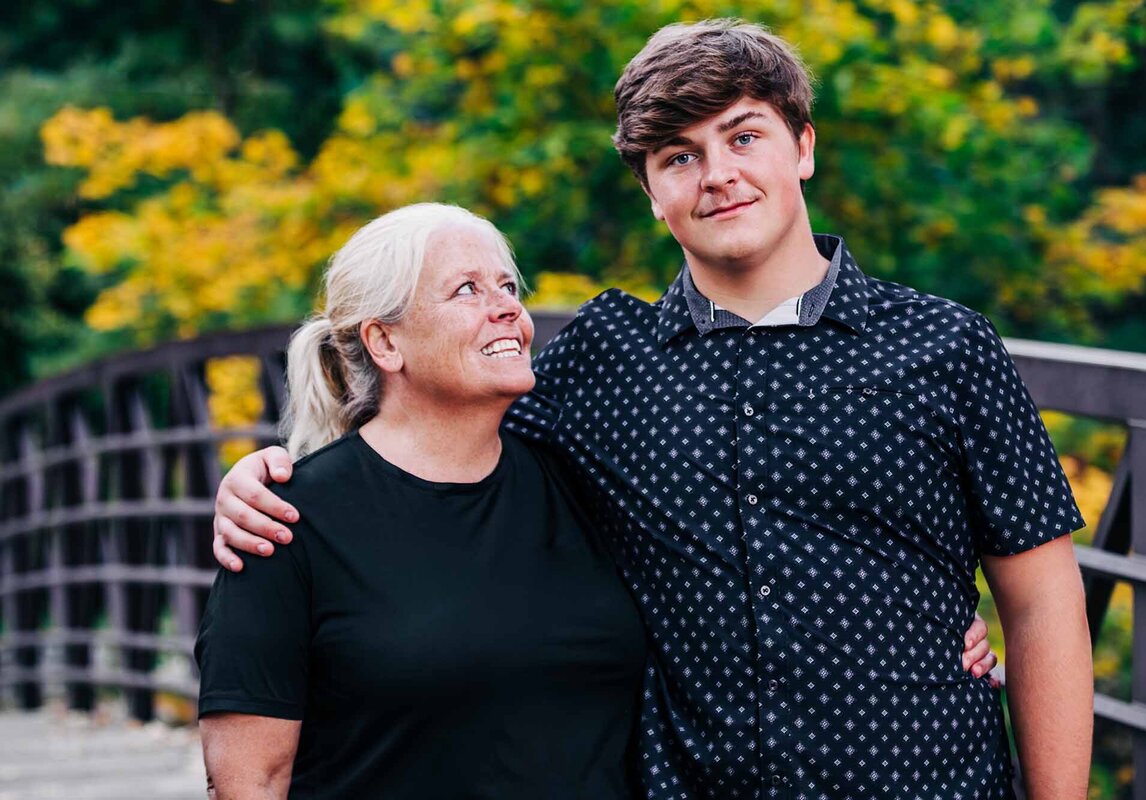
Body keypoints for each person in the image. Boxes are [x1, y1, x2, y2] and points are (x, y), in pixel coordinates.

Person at [210, 20, 1092, 800]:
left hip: (928, 781)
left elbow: (1046, 600)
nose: (719, 175)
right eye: (680, 156)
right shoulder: (603, 363)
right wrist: (272, 476)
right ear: (652, 193)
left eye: (744, 136)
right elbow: (435, 439)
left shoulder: (945, 347)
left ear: (803, 148)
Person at [194, 203, 648, 798]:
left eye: (509, 286)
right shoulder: (285, 522)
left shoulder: (582, 480)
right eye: (467, 290)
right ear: (384, 340)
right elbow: (251, 781)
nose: (508, 307)